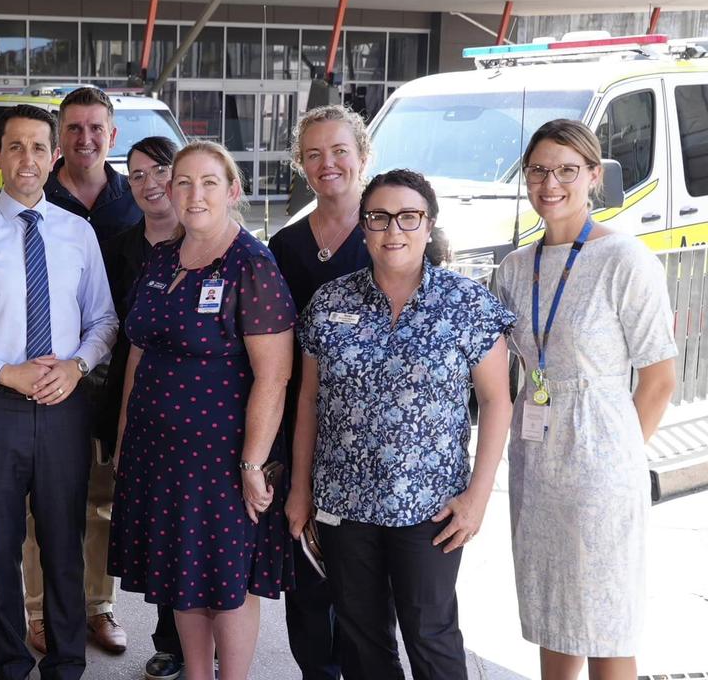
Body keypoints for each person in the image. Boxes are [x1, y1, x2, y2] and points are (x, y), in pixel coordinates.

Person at [290, 169, 514, 679]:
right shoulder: (330, 302)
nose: (394, 230)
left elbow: (497, 400)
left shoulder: (468, 305)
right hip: (344, 504)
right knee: (361, 637)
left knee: (430, 634)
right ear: (364, 228)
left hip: (430, 506)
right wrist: (301, 490)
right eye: (380, 218)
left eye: (408, 217)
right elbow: (308, 400)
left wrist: (478, 498)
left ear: (429, 225)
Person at [0, 103, 118, 680]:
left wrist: (77, 365)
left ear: (54, 155)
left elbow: (105, 321)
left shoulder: (78, 234)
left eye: (39, 147)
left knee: (64, 541)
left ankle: (66, 662)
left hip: (64, 406)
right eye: (15, 147)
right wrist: (4, 373)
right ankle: (11, 660)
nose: (28, 159)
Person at [494, 120, 676, 680]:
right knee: (555, 614)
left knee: (605, 618)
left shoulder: (625, 260)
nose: (551, 183)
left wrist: (616, 457)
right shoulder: (514, 267)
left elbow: (660, 377)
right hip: (536, 459)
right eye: (539, 170)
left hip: (602, 462)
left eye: (567, 170)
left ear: (594, 176)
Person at [108, 141, 295, 680]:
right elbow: (139, 350)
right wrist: (124, 434)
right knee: (181, 573)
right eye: (184, 182)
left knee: (225, 582)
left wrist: (252, 463)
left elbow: (275, 374)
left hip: (222, 456)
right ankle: (195, 674)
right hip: (157, 450)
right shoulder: (164, 256)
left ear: (233, 191)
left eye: (209, 182)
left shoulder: (251, 263)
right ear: (169, 191)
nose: (194, 194)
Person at [23, 85, 139, 657]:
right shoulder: (35, 198)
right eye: (74, 128)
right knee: (40, 502)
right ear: (58, 136)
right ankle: (41, 611)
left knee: (101, 500)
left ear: (112, 135)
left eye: (96, 128)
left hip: (112, 373)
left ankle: (99, 606)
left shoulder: (134, 199)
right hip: (45, 373)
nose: (85, 139)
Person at [269, 104, 373, 680]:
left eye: (338, 151)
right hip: (301, 427)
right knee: (306, 575)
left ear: (362, 156)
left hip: (371, 436)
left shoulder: (396, 234)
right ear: (301, 165)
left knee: (363, 586)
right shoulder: (284, 248)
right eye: (314, 154)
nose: (327, 163)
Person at [98, 136, 183, 680]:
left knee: (196, 529)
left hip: (202, 410)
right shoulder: (122, 247)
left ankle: (209, 641)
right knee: (156, 529)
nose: (149, 182)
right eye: (137, 174)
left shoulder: (214, 241)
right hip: (135, 400)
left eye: (160, 170)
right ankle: (169, 639)